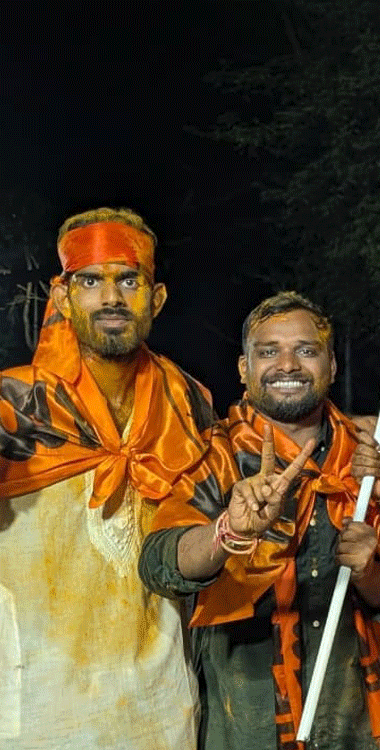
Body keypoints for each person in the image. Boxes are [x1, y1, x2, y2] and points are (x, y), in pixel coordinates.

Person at [140, 292, 380, 749]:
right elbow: (159, 562)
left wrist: (369, 568)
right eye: (269, 351)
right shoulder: (214, 454)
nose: (288, 365)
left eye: (306, 350)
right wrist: (229, 532)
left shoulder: (365, 462)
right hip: (246, 728)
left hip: (350, 726)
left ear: (332, 366)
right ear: (244, 369)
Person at [0, 207, 211, 748]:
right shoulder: (18, 406)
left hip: (162, 714)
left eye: (128, 280)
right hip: (39, 719)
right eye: (90, 280)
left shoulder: (188, 404)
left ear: (156, 298)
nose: (111, 297)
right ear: (64, 297)